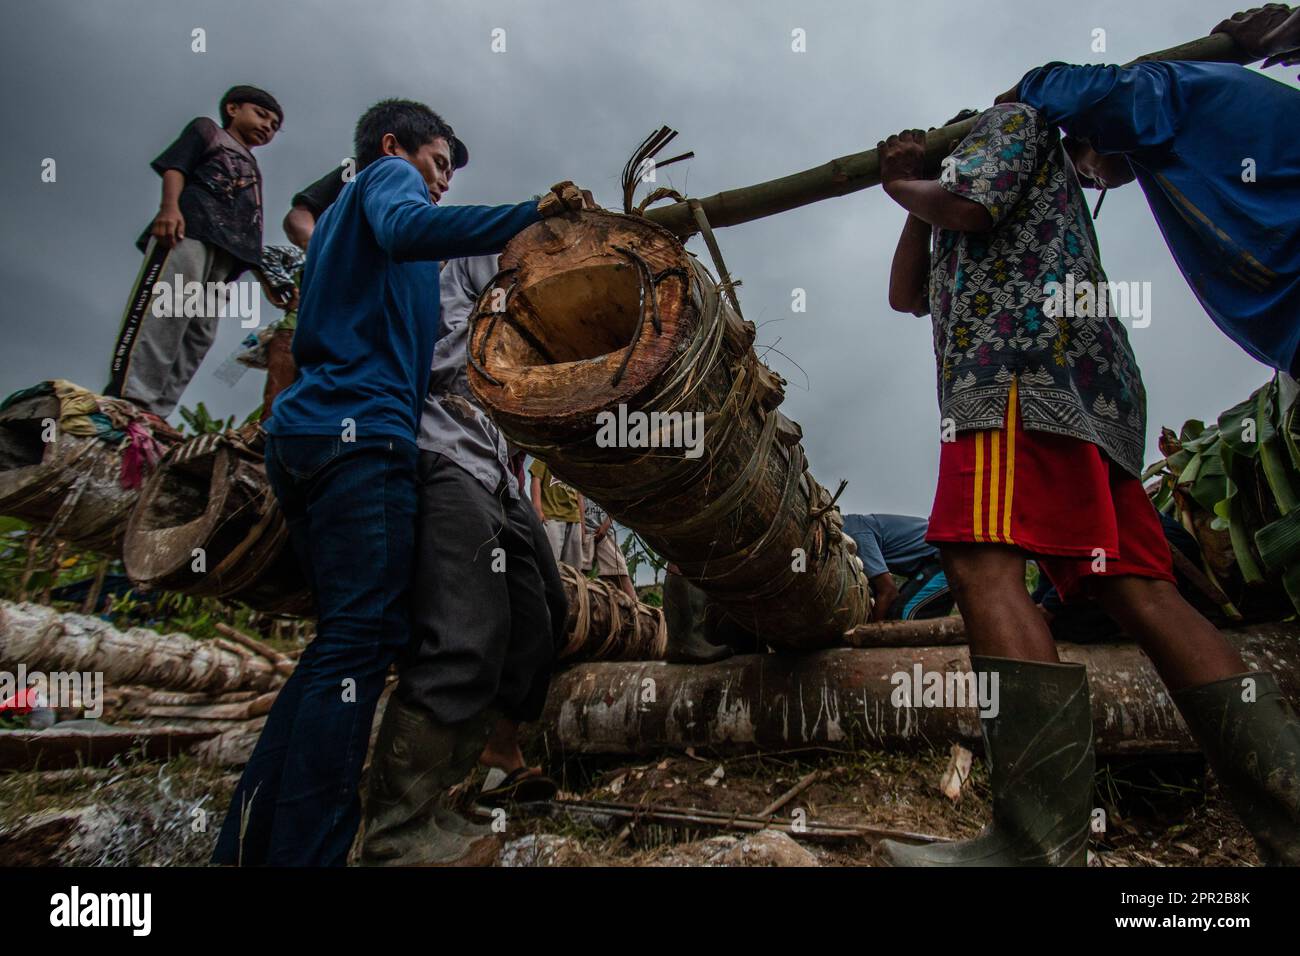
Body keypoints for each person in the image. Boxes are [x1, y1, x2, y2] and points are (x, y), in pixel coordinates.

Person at [876, 104, 1300, 867]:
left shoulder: (1011, 123)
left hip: (1015, 374)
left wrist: (908, 183)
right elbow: (904, 297)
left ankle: (1035, 847)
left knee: (980, 561)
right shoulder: (988, 177)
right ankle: (1292, 820)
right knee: (1138, 587)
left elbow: (968, 205)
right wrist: (914, 189)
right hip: (1089, 393)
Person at [211, 98, 585, 867]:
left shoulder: (382, 254)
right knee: (366, 642)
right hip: (362, 435)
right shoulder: (388, 188)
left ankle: (251, 844)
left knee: (347, 644)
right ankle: (332, 847)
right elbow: (408, 226)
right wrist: (530, 213)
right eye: (440, 163)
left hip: (331, 430)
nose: (441, 184)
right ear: (393, 148)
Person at [362, 254, 566, 866]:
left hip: (497, 468)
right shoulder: (455, 273)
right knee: (464, 633)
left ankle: (459, 784)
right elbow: (435, 359)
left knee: (541, 617)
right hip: (443, 446)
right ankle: (396, 833)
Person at [994, 39, 1300, 374]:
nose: (1095, 182)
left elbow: (1076, 92)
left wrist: (1015, 102)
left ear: (1091, 135)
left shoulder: (1166, 92)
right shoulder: (1193, 119)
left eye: (1083, 169)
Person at [105, 86, 284, 417]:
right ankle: (131, 397)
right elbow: (176, 167)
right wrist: (169, 208)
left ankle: (158, 411)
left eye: (274, 125)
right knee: (168, 311)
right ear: (233, 108)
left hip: (226, 256)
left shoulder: (252, 166)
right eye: (261, 115)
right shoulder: (209, 131)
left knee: (200, 331)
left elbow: (250, 222)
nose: (267, 127)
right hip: (190, 232)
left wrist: (260, 276)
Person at [842, 513, 953, 622]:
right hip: (931, 562)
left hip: (947, 557)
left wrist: (871, 632)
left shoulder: (854, 534)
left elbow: (888, 591)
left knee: (903, 617)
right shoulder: (853, 525)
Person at [529, 458, 585, 567]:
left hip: (574, 518)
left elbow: (580, 494)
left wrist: (582, 524)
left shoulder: (577, 463)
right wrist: (537, 509)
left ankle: (569, 584)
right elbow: (536, 478)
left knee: (573, 569)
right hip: (551, 516)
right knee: (549, 564)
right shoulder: (546, 454)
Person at [582, 499, 636, 600]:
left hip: (606, 532)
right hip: (583, 530)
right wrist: (581, 526)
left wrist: (606, 525)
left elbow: (617, 500)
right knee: (577, 577)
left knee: (622, 577)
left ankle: (634, 612)